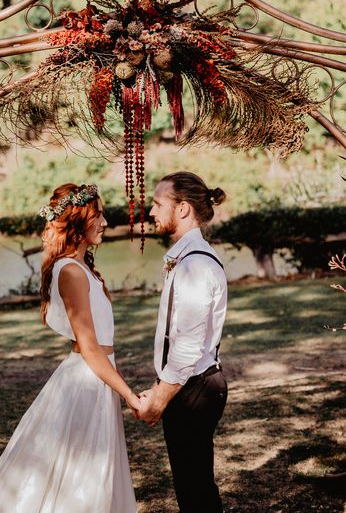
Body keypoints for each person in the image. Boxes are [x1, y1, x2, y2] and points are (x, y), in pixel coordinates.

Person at [0, 183, 139, 513]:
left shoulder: (80, 267)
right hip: (88, 380)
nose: (104, 222)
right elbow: (89, 346)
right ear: (77, 220)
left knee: (91, 473)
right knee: (81, 476)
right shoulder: (71, 271)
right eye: (98, 215)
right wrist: (129, 395)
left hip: (97, 379)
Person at [137, 171, 228, 513]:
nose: (151, 212)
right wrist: (160, 384)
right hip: (188, 382)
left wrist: (159, 399)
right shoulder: (187, 258)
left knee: (196, 490)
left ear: (184, 209)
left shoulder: (196, 266)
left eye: (159, 204)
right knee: (192, 485)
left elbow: (189, 345)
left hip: (196, 387)